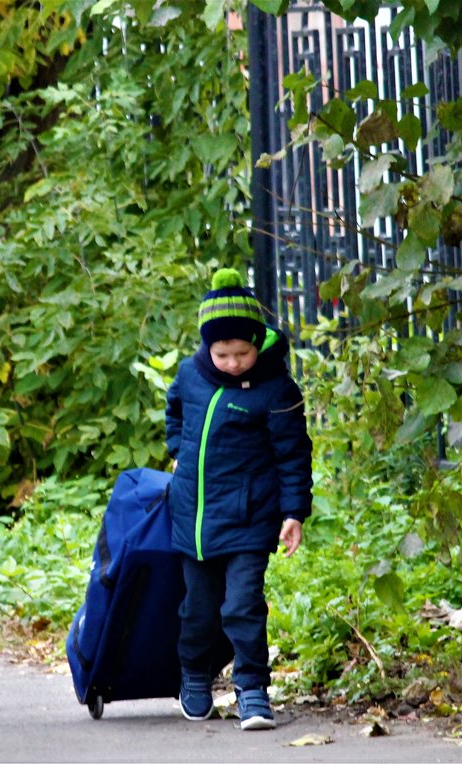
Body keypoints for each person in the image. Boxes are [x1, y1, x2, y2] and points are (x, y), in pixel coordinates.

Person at [164, 267, 313, 730]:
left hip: (250, 518)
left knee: (243, 605)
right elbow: (175, 411)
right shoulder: (191, 374)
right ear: (208, 347)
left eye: (241, 352)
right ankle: (194, 675)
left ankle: (252, 690)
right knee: (197, 611)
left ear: (257, 343)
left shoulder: (275, 389)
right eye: (222, 353)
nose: (231, 362)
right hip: (193, 519)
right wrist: (177, 450)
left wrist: (294, 512)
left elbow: (293, 454)